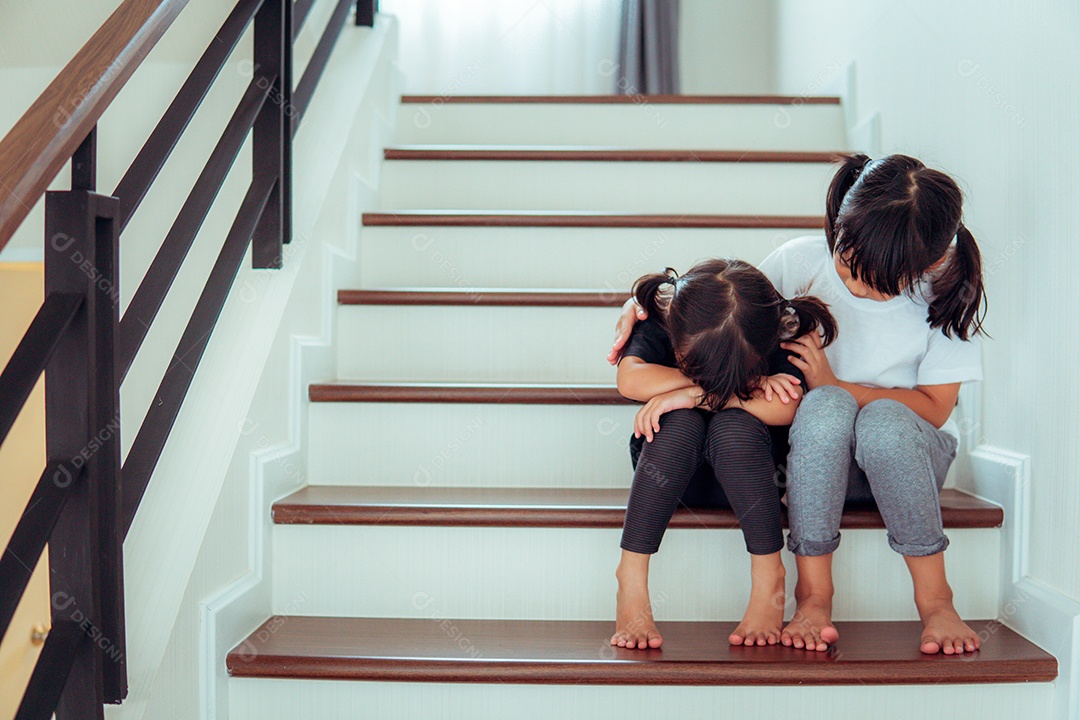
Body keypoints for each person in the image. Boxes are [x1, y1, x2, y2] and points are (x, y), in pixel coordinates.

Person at [609, 154, 987, 655]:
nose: (851, 283)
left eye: (872, 280)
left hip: (904, 454)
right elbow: (728, 313)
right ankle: (813, 597)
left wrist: (829, 380)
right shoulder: (798, 262)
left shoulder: (945, 298)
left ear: (927, 264)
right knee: (823, 408)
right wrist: (645, 307)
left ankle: (937, 602)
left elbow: (934, 410)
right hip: (812, 457)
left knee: (876, 419)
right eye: (845, 260)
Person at [611, 258, 836, 650]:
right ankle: (630, 578)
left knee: (734, 427)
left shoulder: (777, 329)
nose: (709, 378)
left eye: (734, 372)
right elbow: (630, 378)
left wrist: (690, 392)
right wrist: (726, 391)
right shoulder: (666, 317)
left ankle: (770, 577)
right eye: (695, 368)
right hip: (675, 477)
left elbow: (787, 405)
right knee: (679, 421)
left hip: (752, 479)